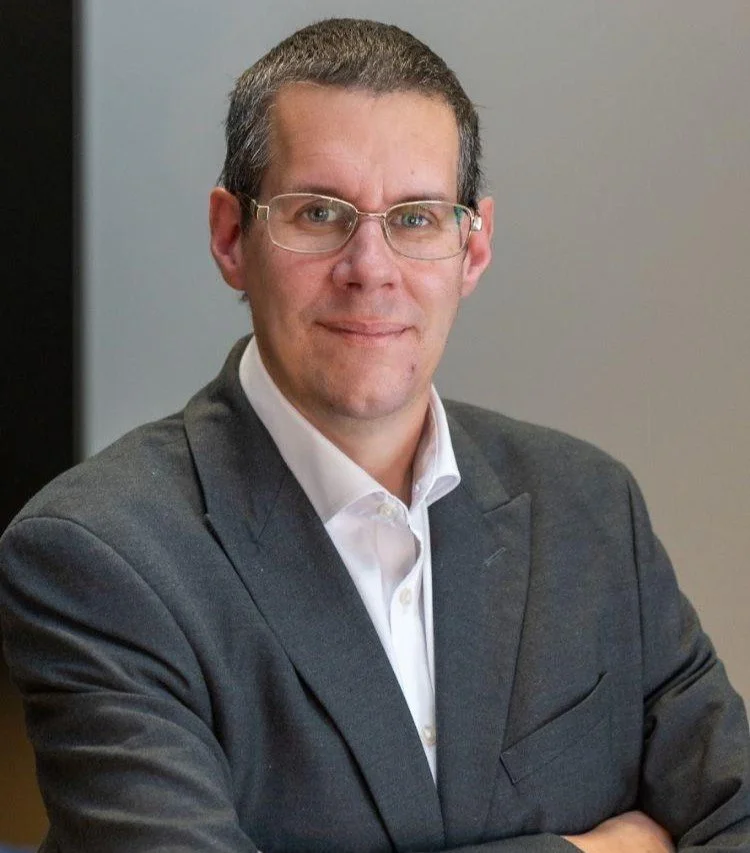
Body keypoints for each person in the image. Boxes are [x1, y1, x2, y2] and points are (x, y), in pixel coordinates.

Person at [0, 17, 748, 853]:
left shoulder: (592, 508)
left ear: (474, 247)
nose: (371, 267)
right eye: (319, 212)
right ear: (229, 238)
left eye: (418, 218)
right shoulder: (99, 557)